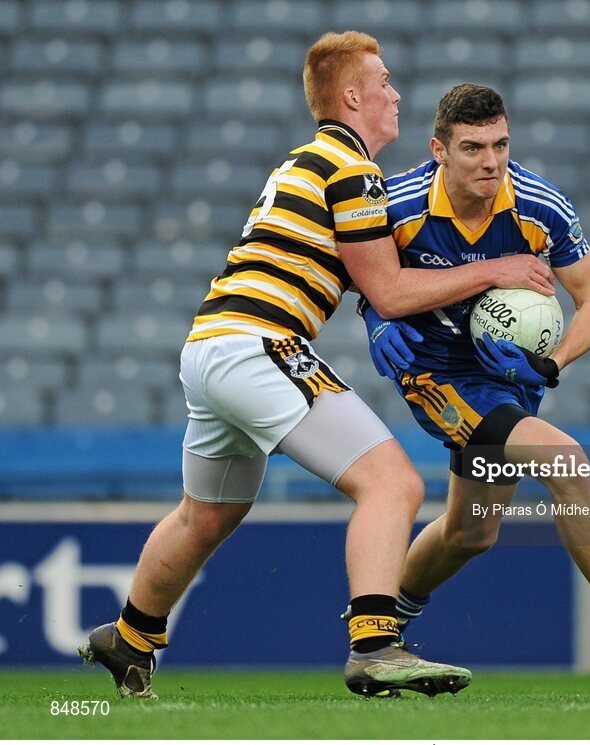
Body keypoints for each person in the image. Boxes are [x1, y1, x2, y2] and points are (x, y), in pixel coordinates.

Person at [77, 33, 555, 700]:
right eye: (383, 82)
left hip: (210, 343)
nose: (395, 94)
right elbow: (387, 289)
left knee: (205, 514)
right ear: (353, 96)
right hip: (261, 342)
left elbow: (378, 284)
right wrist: (498, 270)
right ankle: (375, 645)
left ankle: (128, 636)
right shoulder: (353, 169)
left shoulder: (309, 159)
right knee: (392, 483)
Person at [358, 83, 590, 679]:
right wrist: (377, 326)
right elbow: (361, 278)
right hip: (434, 371)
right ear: (439, 149)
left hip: (510, 379)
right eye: (472, 148)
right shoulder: (398, 204)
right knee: (567, 461)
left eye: (501, 145)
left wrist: (553, 363)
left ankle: (387, 628)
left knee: (472, 531)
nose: (491, 161)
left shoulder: (541, 206)